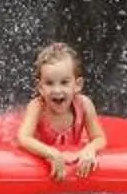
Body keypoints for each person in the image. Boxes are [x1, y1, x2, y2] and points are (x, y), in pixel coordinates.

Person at [15, 41, 108, 181]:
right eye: (49, 83)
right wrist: (51, 153)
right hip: (44, 163)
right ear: (40, 87)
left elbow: (100, 138)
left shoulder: (84, 105)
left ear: (77, 85)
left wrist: (90, 149)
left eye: (64, 82)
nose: (57, 90)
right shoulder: (37, 107)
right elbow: (23, 138)